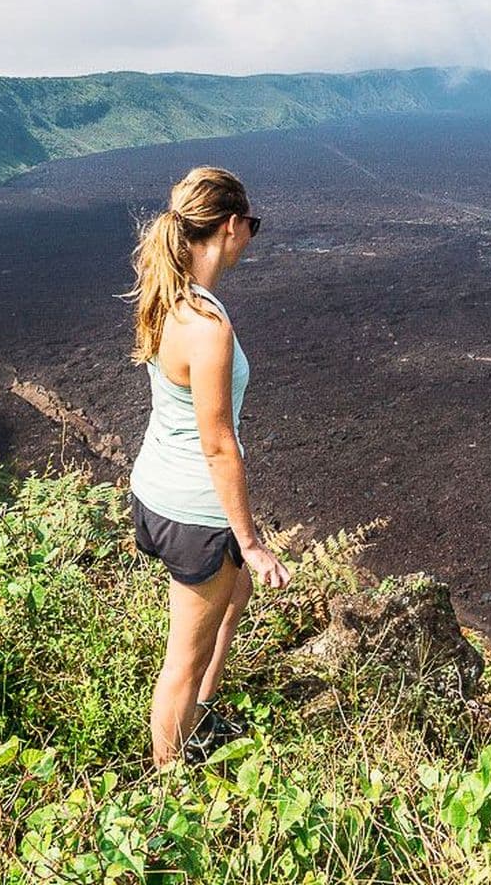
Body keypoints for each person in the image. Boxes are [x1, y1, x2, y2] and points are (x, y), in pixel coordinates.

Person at [126, 165, 289, 768]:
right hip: (194, 512)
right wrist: (251, 542)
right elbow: (218, 444)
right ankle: (170, 785)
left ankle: (202, 711)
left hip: (155, 488)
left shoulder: (166, 296)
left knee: (236, 589)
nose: (250, 236)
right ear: (230, 226)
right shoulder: (208, 327)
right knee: (183, 661)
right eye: (252, 226)